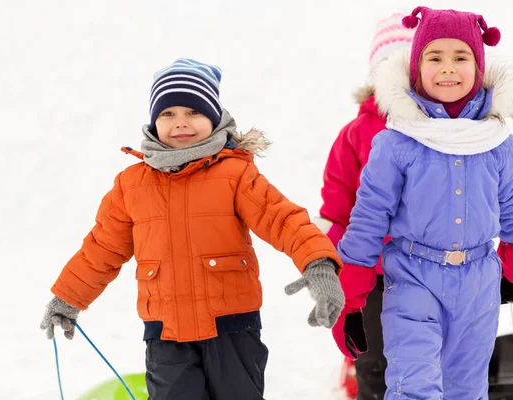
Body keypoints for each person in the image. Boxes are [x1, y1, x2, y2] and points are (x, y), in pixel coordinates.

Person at [39, 58, 345, 400]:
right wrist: (68, 297)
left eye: (193, 112)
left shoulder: (234, 175)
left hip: (232, 328)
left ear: (213, 118)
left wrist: (318, 263)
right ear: (154, 121)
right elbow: (102, 248)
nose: (180, 123)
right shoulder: (132, 185)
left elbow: (282, 219)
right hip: (166, 336)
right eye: (168, 113)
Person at [330, 6, 513, 399]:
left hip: (479, 284)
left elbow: (512, 208)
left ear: (478, 68)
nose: (448, 68)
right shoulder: (396, 143)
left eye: (461, 57)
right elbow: (367, 220)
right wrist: (350, 297)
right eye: (435, 57)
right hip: (413, 278)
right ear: (415, 70)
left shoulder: (497, 139)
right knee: (414, 387)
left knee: (466, 390)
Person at [315, 12, 415, 400]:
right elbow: (337, 214)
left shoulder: (448, 131)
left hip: (433, 271)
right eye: (392, 68)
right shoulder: (356, 134)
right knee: (373, 360)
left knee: (434, 359)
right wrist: (336, 281)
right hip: (371, 274)